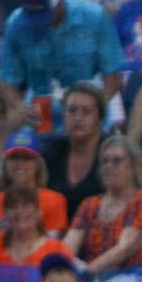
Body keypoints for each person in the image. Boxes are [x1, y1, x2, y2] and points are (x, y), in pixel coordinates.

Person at [0, 0, 122, 106]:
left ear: (59, 0)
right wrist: (20, 108)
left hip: (93, 95)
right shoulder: (15, 24)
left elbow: (113, 77)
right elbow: (7, 78)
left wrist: (95, 110)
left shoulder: (95, 16)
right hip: (42, 101)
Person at [64, 136, 142, 275]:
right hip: (88, 279)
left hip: (129, 278)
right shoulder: (90, 204)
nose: (109, 166)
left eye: (117, 161)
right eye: (105, 161)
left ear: (133, 166)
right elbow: (69, 246)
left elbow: (125, 248)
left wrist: (86, 273)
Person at [0, 139, 68, 237]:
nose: (20, 164)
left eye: (26, 158)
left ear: (38, 164)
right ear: (5, 164)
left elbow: (53, 246)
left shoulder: (54, 201)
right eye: (14, 158)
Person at [41, 83, 105, 219]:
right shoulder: (52, 151)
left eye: (86, 111)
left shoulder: (112, 152)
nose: (78, 118)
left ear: (100, 118)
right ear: (63, 116)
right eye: (71, 110)